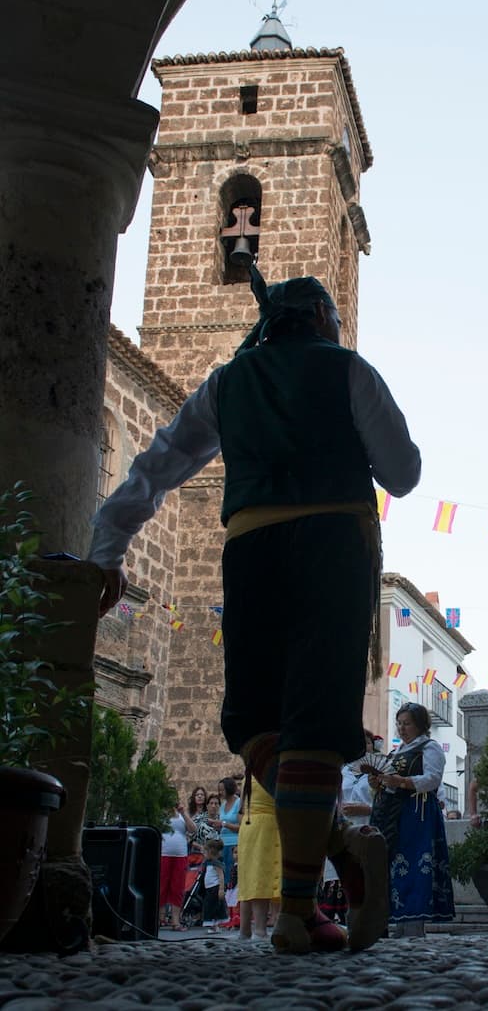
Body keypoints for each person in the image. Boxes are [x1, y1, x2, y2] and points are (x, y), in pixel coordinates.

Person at [89, 267, 420, 953]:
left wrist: (107, 549)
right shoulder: (350, 370)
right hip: (334, 543)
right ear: (324, 320)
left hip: (252, 548)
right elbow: (404, 473)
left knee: (253, 720)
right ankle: (335, 859)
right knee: (314, 724)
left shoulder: (226, 383)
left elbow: (157, 464)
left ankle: (303, 911)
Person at [370, 703, 456, 936]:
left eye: (406, 723)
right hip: (394, 815)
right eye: (399, 723)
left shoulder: (430, 748)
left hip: (418, 813)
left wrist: (402, 782)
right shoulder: (396, 752)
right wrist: (380, 784)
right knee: (395, 865)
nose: (402, 728)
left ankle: (414, 925)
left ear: (420, 724)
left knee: (417, 864)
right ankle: (397, 921)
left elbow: (432, 779)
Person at [237, 777, 282, 942]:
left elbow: (241, 808)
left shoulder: (247, 776)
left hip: (249, 826)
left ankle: (244, 930)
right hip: (267, 825)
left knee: (248, 878)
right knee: (263, 878)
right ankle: (261, 930)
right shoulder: (271, 772)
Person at [160, 806, 190, 932]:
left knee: (177, 888)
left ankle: (175, 921)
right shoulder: (160, 815)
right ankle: (159, 918)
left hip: (180, 855)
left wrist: (183, 813)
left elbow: (193, 829)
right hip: (163, 854)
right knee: (161, 886)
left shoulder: (182, 816)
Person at [200, 838, 229, 931]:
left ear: (211, 852)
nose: (204, 854)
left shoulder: (216, 863)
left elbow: (221, 876)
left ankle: (214, 924)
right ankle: (213, 924)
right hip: (209, 888)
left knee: (213, 906)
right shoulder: (208, 863)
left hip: (215, 888)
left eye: (205, 852)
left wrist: (221, 889)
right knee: (210, 905)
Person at [217, 776, 242, 885]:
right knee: (224, 876)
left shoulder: (239, 803)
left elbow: (241, 827)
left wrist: (224, 824)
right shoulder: (222, 805)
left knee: (233, 877)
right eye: (219, 790)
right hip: (223, 844)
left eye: (222, 789)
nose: (220, 792)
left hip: (234, 845)